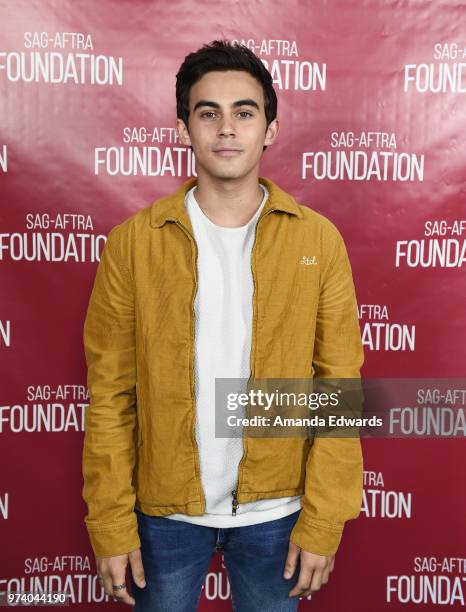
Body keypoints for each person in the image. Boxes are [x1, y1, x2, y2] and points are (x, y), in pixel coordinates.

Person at [81, 40, 365, 611]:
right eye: (208, 112)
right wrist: (111, 523)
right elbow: (110, 395)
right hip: (164, 516)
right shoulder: (133, 244)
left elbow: (339, 389)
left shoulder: (318, 241)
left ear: (271, 128)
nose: (226, 128)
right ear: (184, 128)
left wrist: (325, 518)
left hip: (277, 515)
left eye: (244, 111)